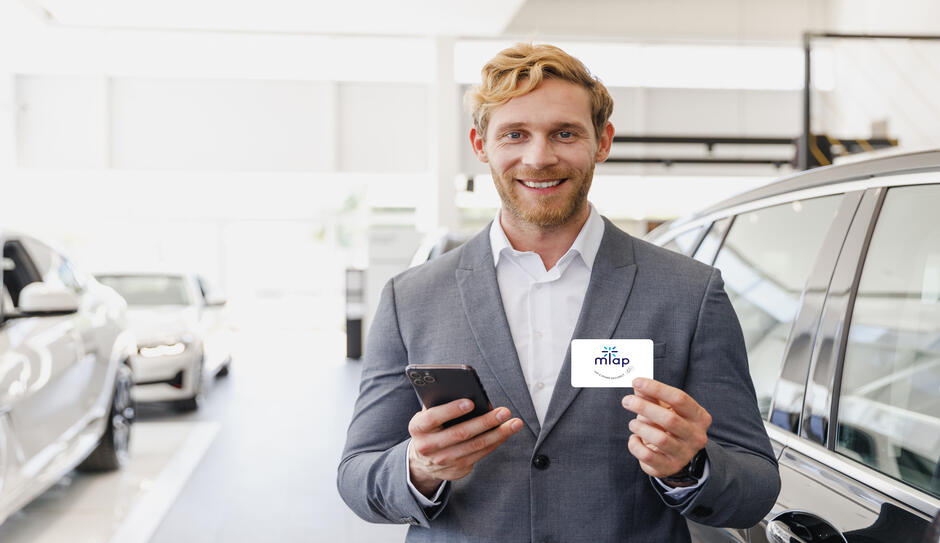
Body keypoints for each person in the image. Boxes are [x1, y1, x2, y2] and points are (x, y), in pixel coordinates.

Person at [338, 43, 780, 542]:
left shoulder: (689, 293)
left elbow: (757, 485)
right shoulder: (412, 298)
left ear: (603, 141)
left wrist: (689, 467)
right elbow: (358, 477)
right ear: (481, 145)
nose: (539, 157)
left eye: (564, 133)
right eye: (515, 134)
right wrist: (419, 467)